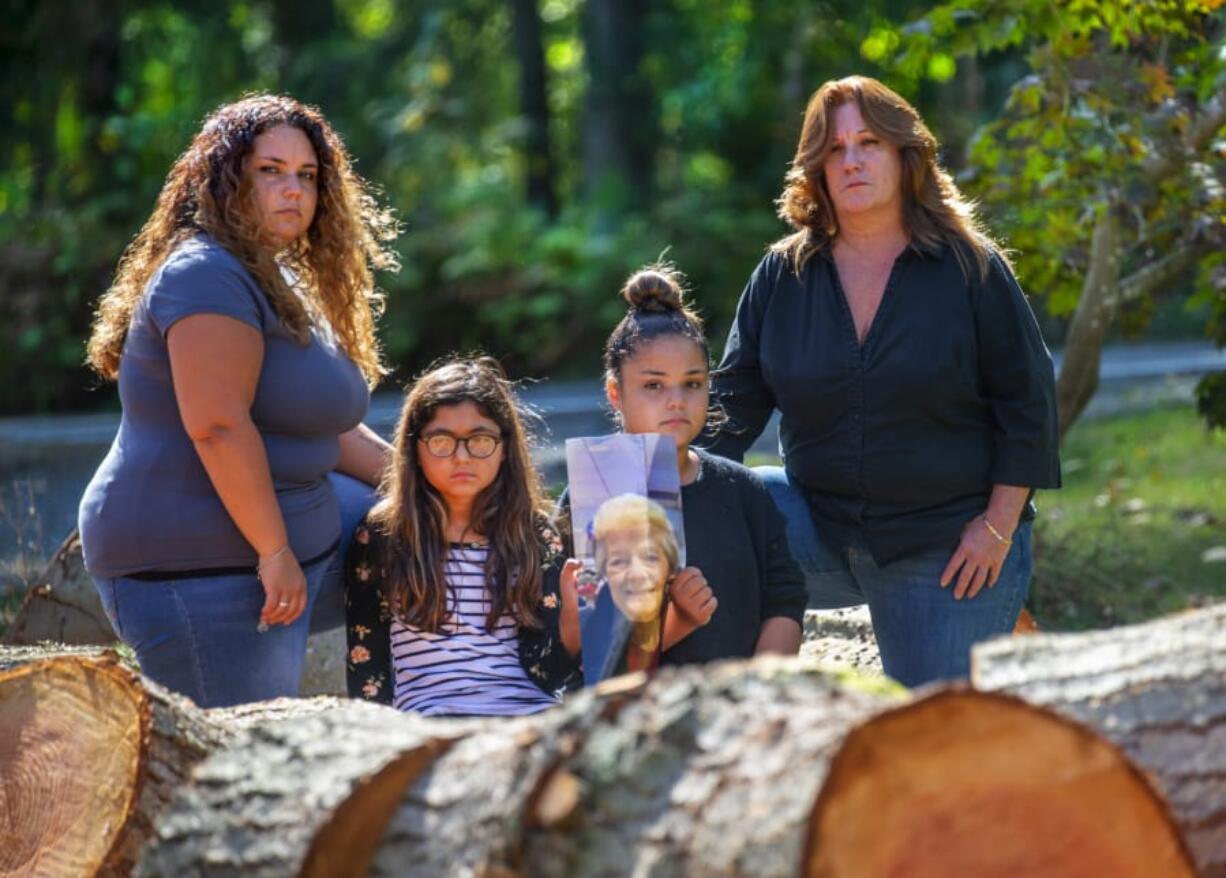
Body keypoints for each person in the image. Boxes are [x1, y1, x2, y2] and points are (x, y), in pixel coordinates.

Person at [705, 75, 1061, 687]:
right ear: (815, 168)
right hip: (817, 525)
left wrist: (996, 528)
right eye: (835, 149)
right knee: (691, 522)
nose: (851, 161)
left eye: (868, 142)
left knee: (930, 733)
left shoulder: (970, 268)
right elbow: (728, 408)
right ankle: (735, 724)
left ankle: (1000, 635)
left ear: (904, 153)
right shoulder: (783, 274)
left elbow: (1027, 406)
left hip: (948, 546)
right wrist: (654, 495)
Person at [79, 94, 397, 708]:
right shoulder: (206, 274)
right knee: (226, 765)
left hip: (295, 548)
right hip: (209, 572)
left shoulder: (276, 274)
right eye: (270, 171)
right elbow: (218, 427)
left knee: (444, 532)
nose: (293, 190)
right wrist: (275, 553)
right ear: (226, 180)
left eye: (306, 176)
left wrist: (427, 488)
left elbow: (323, 429)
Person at [555, 264, 808, 669]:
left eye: (692, 383)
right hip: (633, 714)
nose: (676, 400)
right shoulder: (592, 494)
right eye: (653, 385)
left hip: (740, 710)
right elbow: (579, 648)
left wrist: (758, 686)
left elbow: (785, 599)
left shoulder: (742, 489)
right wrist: (680, 619)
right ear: (615, 393)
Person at [344, 357, 580, 715]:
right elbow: (367, 663)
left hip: (529, 714)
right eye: (441, 440)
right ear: (415, 447)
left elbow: (552, 668)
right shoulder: (384, 534)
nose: (462, 457)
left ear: (504, 448)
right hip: (428, 720)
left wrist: (574, 617)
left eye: (480, 440)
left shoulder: (534, 535)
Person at [581, 493, 680, 680]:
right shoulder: (584, 631)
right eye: (618, 561)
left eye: (651, 557)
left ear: (671, 567)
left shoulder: (689, 615)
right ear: (604, 573)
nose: (637, 574)